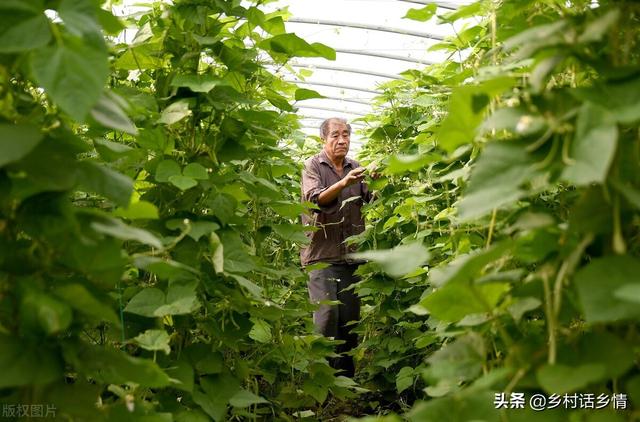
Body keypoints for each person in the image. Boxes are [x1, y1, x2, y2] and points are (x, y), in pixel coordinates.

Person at [300, 117, 372, 378]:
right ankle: (321, 380)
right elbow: (315, 199)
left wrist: (376, 179)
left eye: (346, 135)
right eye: (335, 135)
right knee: (327, 316)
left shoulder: (356, 167)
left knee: (349, 320)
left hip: (351, 257)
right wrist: (344, 183)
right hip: (321, 255)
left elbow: (371, 195)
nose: (342, 140)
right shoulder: (313, 165)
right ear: (324, 139)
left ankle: (345, 382)